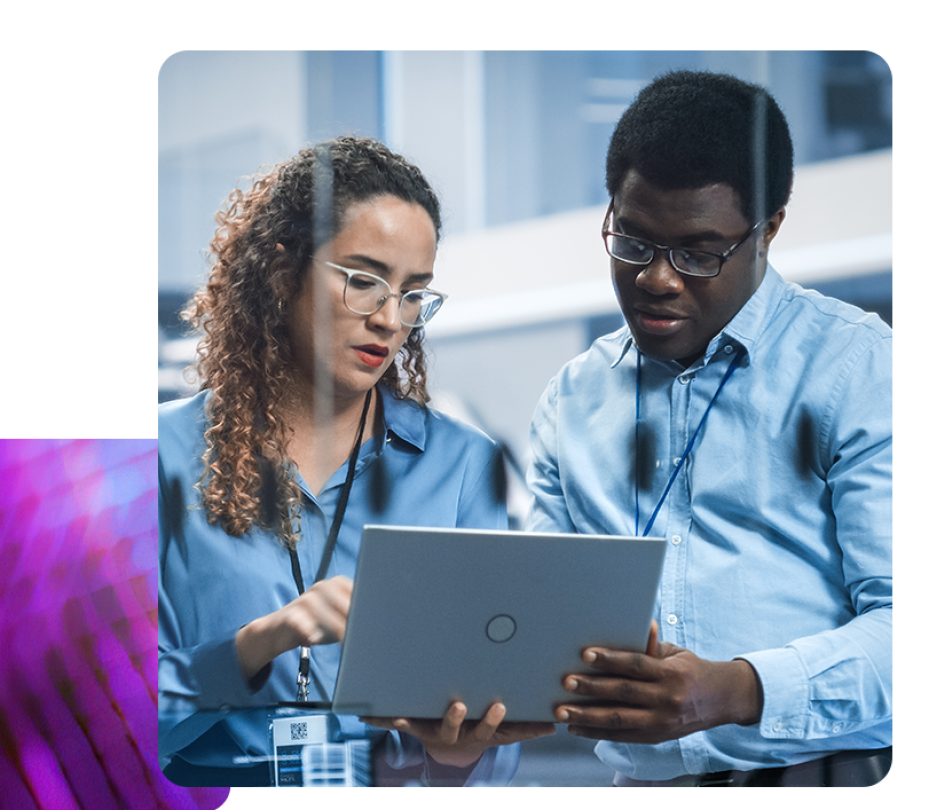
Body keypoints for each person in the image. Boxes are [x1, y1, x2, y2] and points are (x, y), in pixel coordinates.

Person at [526, 71, 892, 787]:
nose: (657, 280)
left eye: (698, 253)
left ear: (769, 230)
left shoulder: (858, 370)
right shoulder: (571, 400)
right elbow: (541, 629)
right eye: (631, 242)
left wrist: (731, 690)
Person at [159, 136, 553, 787]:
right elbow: (99, 714)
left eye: (413, 293)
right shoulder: (160, 459)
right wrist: (259, 645)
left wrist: (458, 753)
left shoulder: (461, 464)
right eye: (364, 281)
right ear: (284, 270)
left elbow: (494, 723)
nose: (391, 319)